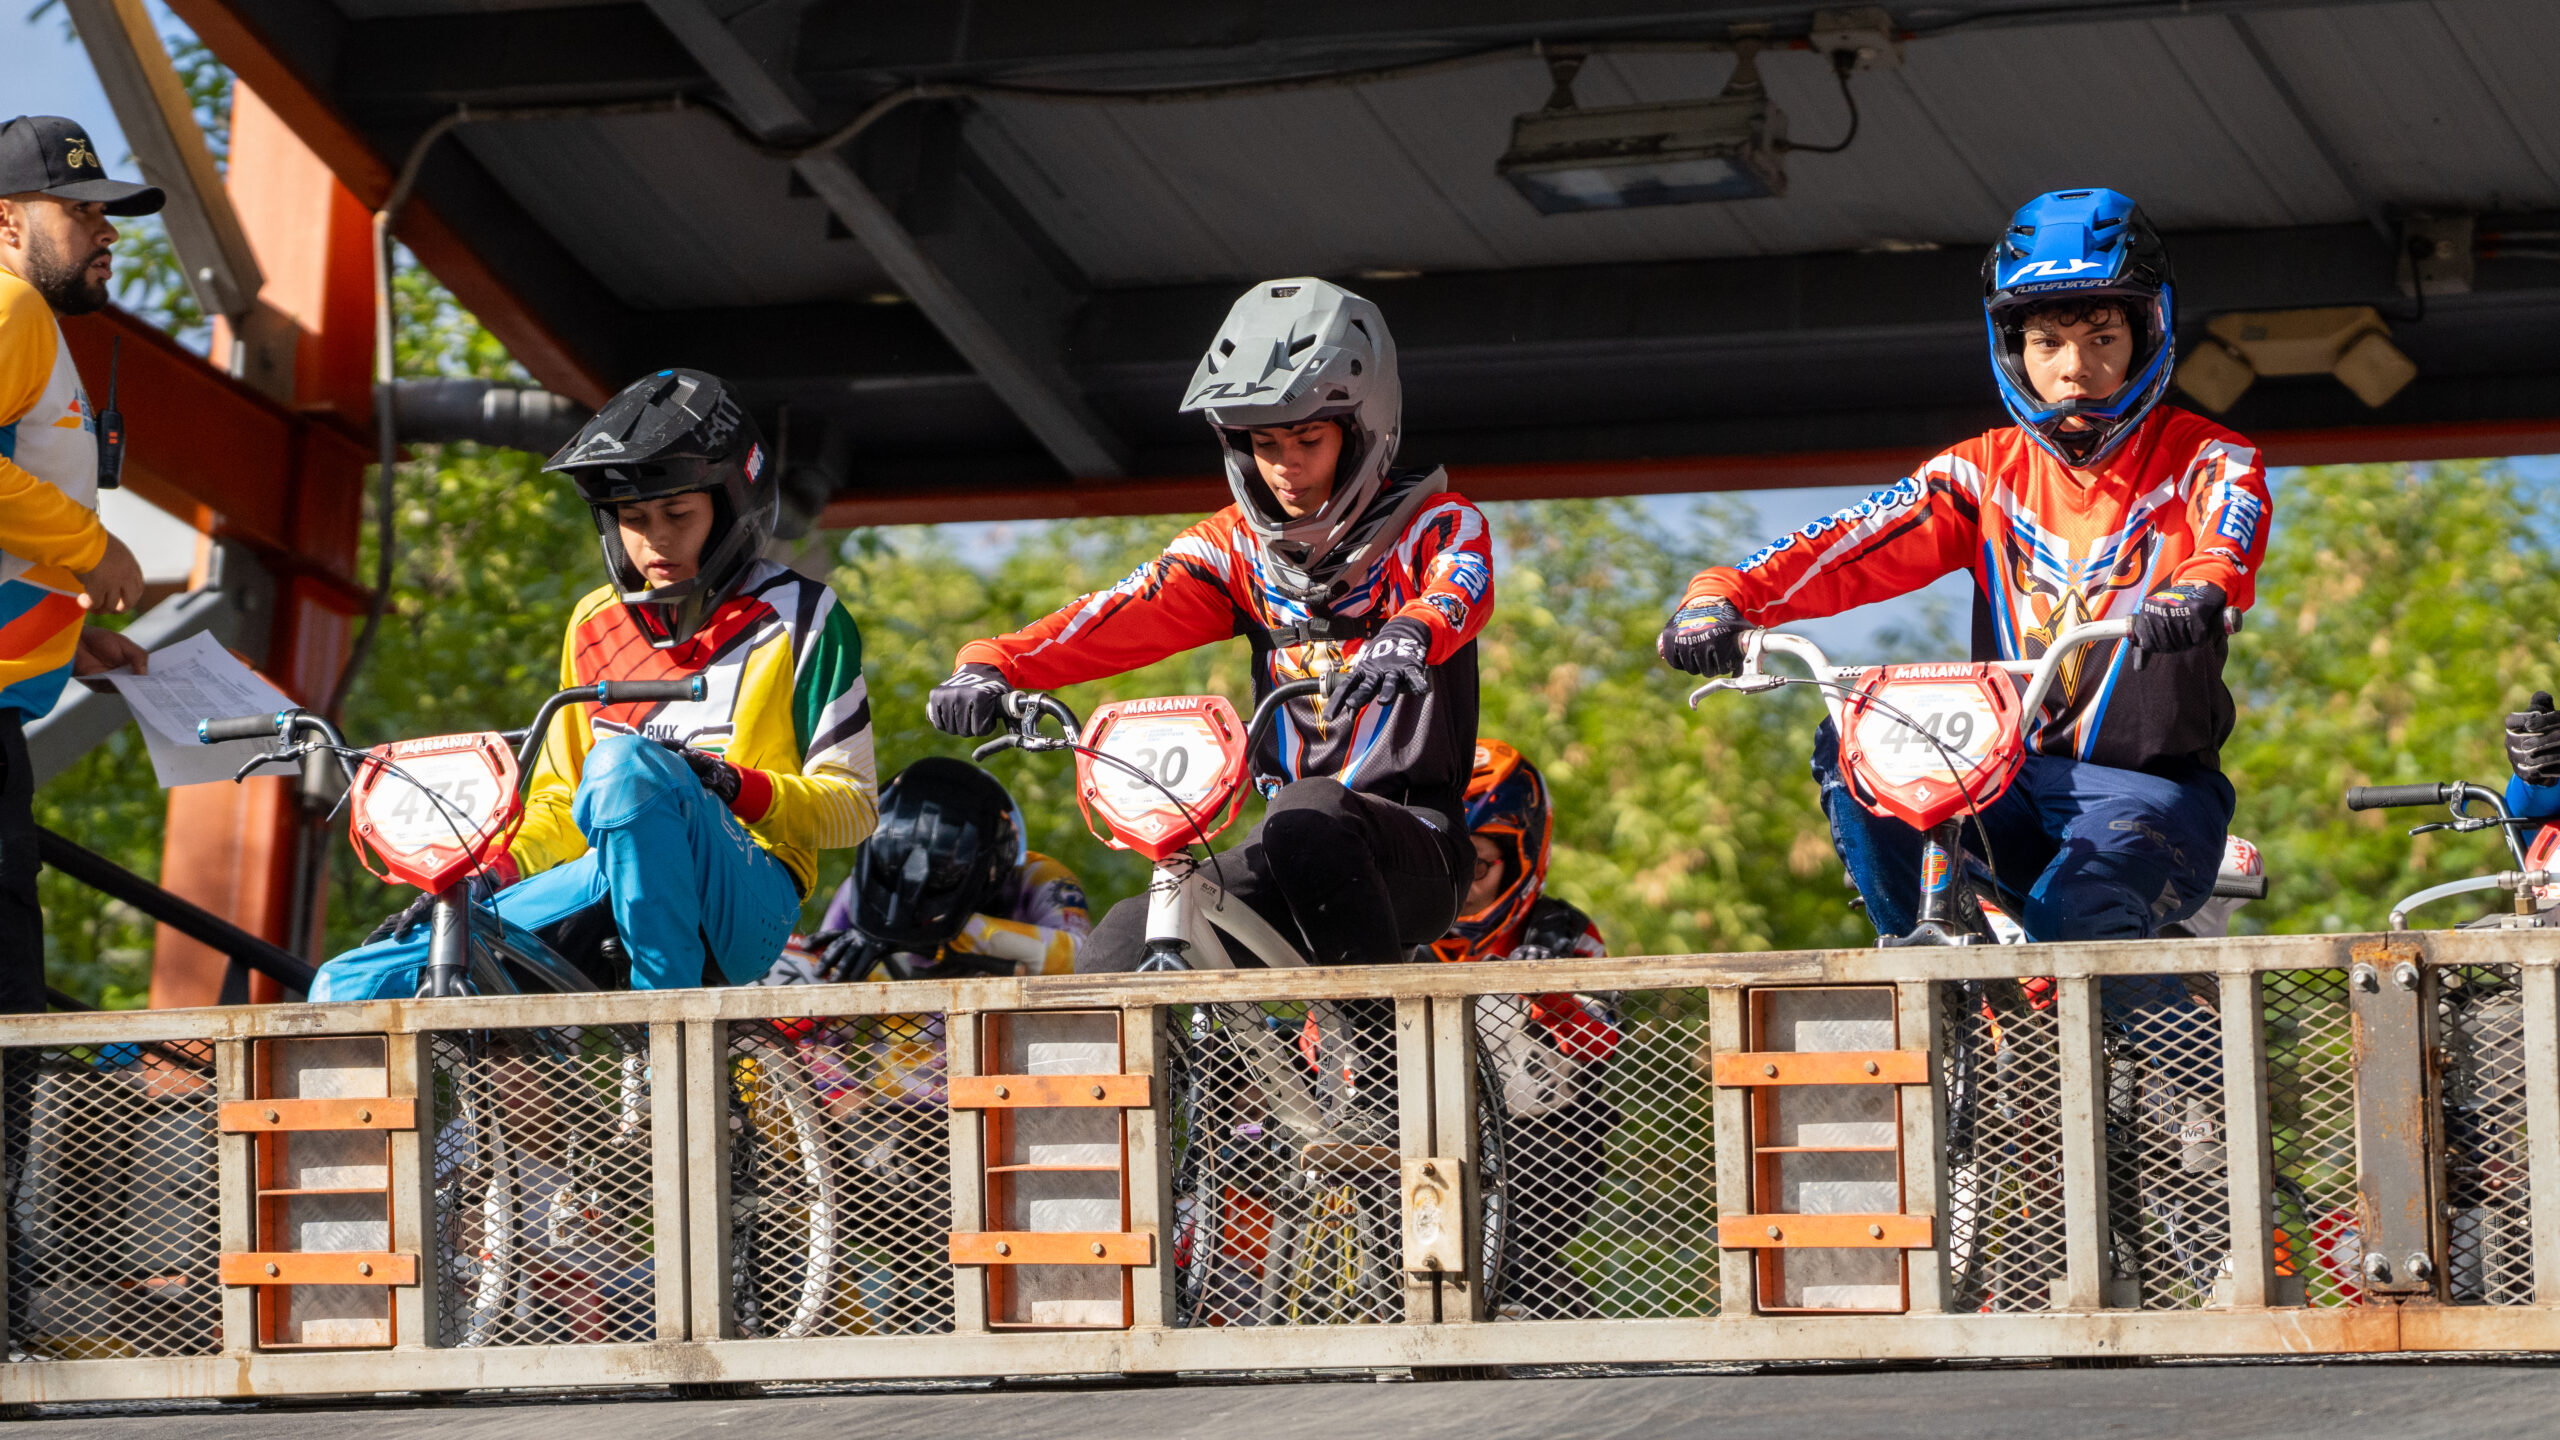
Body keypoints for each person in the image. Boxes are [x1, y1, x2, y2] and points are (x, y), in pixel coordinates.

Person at [1658, 188, 2273, 948]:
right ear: (2014, 348)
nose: (2075, 370)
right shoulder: (1980, 473)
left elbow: (2228, 540)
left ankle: (2187, 1067)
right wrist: (1723, 596)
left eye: (2102, 338)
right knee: (1856, 742)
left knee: (2071, 921)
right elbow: (1843, 544)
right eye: (2047, 343)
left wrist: (2199, 589)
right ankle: (1926, 969)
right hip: (2003, 783)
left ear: (2148, 335)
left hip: (2151, 795)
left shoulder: (2211, 459)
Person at [926, 277, 1494, 973]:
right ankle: (1201, 1082)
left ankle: (1373, 1064)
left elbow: (1458, 590)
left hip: (1413, 846)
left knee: (1308, 814)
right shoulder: (1231, 552)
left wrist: (1409, 634)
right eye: (1263, 442)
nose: (1286, 466)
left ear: (1363, 428)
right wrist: (993, 664)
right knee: (1124, 936)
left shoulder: (1435, 527)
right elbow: (1110, 617)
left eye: (1308, 438)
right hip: (1286, 853)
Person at [313, 368, 879, 999]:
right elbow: (558, 803)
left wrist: (729, 784)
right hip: (607, 877)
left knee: (624, 766)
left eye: (677, 513)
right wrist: (486, 872)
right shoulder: (593, 622)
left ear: (731, 507)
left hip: (751, 897)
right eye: (632, 517)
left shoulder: (805, 617)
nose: (656, 539)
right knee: (354, 981)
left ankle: (662, 1030)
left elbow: (852, 809)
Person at [0, 116, 158, 1012]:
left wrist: (69, 638)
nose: (107, 231)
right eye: (80, 211)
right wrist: (92, 546)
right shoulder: (10, 304)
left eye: (109, 213)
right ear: (6, 221)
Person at [1430, 740, 1621, 1318]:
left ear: (1518, 860)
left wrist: (1552, 1000)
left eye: (1477, 865)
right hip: (1403, 1129)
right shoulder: (1386, 937)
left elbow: (1604, 1039)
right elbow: (1320, 1044)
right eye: (1447, 866)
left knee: (1514, 1018)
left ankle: (1521, 1277)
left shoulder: (1563, 931)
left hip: (1533, 1149)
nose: (1464, 883)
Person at [765, 756, 1091, 982]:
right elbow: (827, 986)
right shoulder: (864, 887)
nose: (912, 885)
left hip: (1012, 1068)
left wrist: (939, 936)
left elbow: (1082, 957)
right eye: (898, 868)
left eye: (942, 875)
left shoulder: (1040, 877)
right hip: (901, 1078)